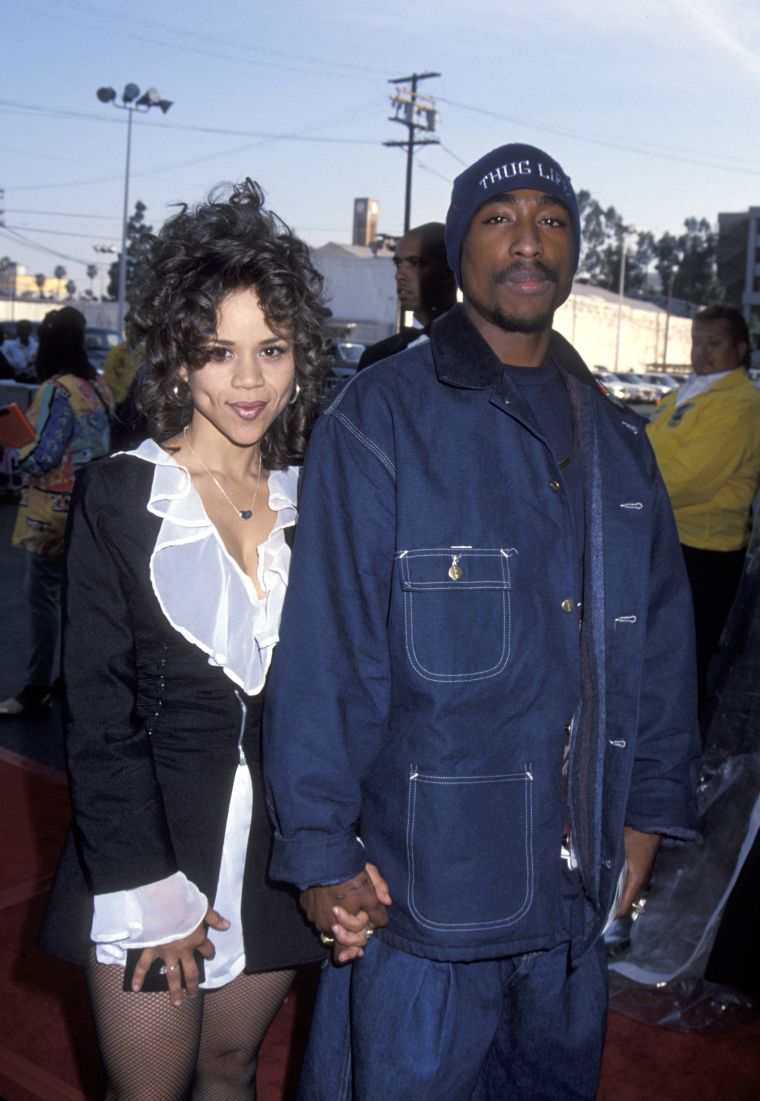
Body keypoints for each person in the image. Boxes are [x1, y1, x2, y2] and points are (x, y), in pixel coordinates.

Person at [263, 143, 701, 1100]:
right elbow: (327, 656)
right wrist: (321, 851)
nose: (528, 242)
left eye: (552, 219)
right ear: (459, 248)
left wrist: (649, 817)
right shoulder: (380, 418)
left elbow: (663, 649)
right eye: (501, 219)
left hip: (574, 903)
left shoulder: (622, 443)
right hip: (423, 900)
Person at [38, 181, 336, 1100]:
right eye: (219, 351)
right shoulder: (123, 495)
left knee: (230, 1070)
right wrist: (147, 887)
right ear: (176, 357)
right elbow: (96, 713)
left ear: (302, 355)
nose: (249, 382)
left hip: (274, 860)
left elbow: (341, 693)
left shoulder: (315, 498)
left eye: (271, 349)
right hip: (147, 849)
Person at [647, 304, 760, 715]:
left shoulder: (741, 403)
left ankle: (682, 766)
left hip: (703, 551)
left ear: (741, 349)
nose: (702, 352)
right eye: (697, 342)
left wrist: (629, 493)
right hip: (668, 539)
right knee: (661, 661)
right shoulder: (689, 391)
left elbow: (692, 479)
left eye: (714, 343)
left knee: (684, 667)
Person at [0, 307, 112, 716]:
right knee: (75, 599)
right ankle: (70, 677)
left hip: (51, 512)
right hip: (89, 507)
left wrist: (11, 448)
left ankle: (36, 686)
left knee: (42, 597)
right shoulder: (95, 384)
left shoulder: (55, 389)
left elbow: (43, 455)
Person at [357, 221, 457, 369]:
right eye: (398, 264)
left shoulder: (484, 349)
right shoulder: (376, 357)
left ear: (449, 270)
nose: (399, 275)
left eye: (415, 263)